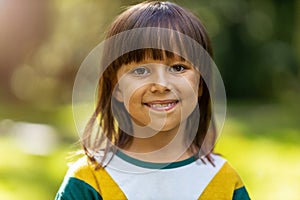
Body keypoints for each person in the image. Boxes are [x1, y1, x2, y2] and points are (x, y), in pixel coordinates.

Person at [56, 1, 251, 199]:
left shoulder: (223, 180)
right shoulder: (88, 181)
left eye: (178, 68)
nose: (161, 85)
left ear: (200, 84)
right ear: (116, 87)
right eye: (140, 70)